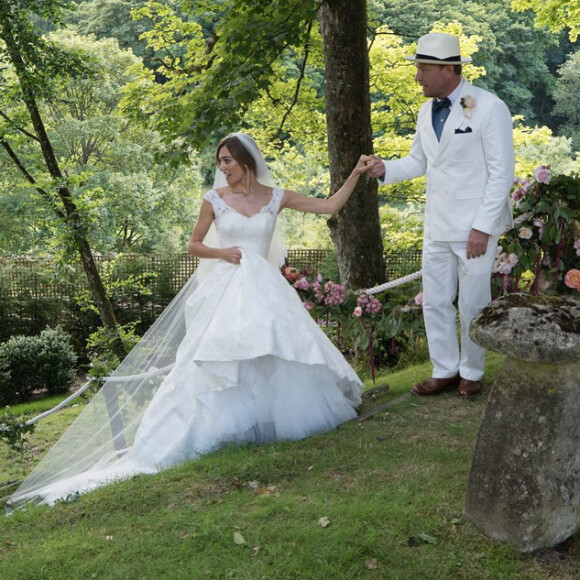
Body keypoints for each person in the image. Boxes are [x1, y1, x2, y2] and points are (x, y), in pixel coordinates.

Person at [9, 132, 372, 507]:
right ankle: (216, 429)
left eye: (228, 161)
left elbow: (329, 207)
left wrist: (356, 173)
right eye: (219, 162)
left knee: (274, 349)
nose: (222, 168)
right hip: (227, 286)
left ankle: (270, 422)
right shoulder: (214, 200)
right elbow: (193, 245)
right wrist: (223, 252)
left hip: (265, 289)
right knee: (221, 354)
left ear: (246, 160)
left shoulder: (276, 197)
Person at [367, 32, 514, 398]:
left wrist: (482, 227)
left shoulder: (489, 106)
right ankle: (444, 369)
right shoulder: (423, 111)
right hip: (436, 224)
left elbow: (501, 174)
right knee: (434, 300)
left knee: (472, 301)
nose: (417, 77)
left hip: (474, 227)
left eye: (422, 69)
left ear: (447, 70)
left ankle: (472, 372)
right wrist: (384, 168)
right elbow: (419, 161)